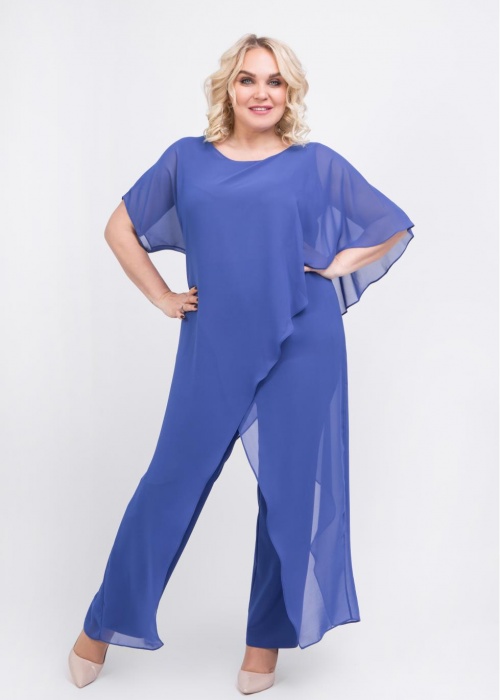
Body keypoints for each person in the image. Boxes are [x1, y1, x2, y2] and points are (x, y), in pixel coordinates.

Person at [68, 33, 415, 694]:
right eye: (249, 79)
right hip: (215, 341)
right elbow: (120, 227)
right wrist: (162, 296)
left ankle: (263, 645)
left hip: (303, 339)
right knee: (170, 481)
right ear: (228, 87)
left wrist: (330, 268)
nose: (262, 92)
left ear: (290, 93)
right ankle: (100, 625)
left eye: (275, 81)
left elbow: (391, 224)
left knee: (288, 493)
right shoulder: (187, 159)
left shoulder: (314, 164)